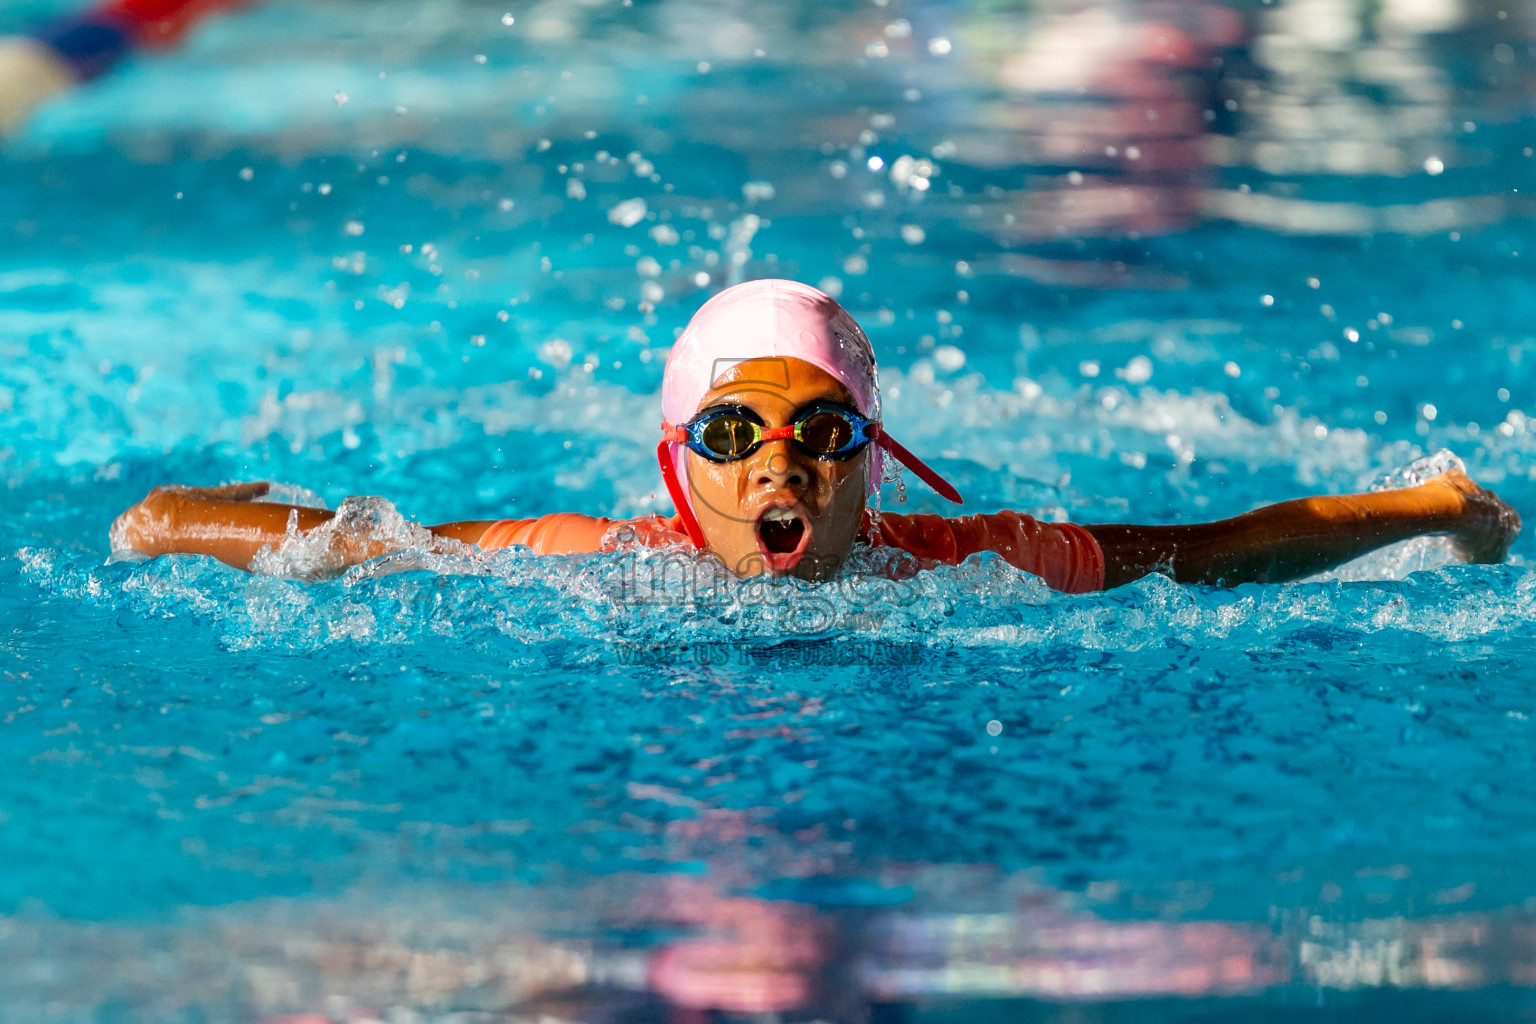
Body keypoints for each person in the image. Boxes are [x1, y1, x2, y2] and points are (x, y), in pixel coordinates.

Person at [112, 279, 1519, 591]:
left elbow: (1204, 553)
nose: (777, 460)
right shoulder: (600, 557)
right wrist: (173, 517)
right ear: (679, 466)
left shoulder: (968, 562)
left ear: (872, 461)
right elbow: (368, 546)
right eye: (730, 429)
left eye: (819, 429)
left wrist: (1430, 503)